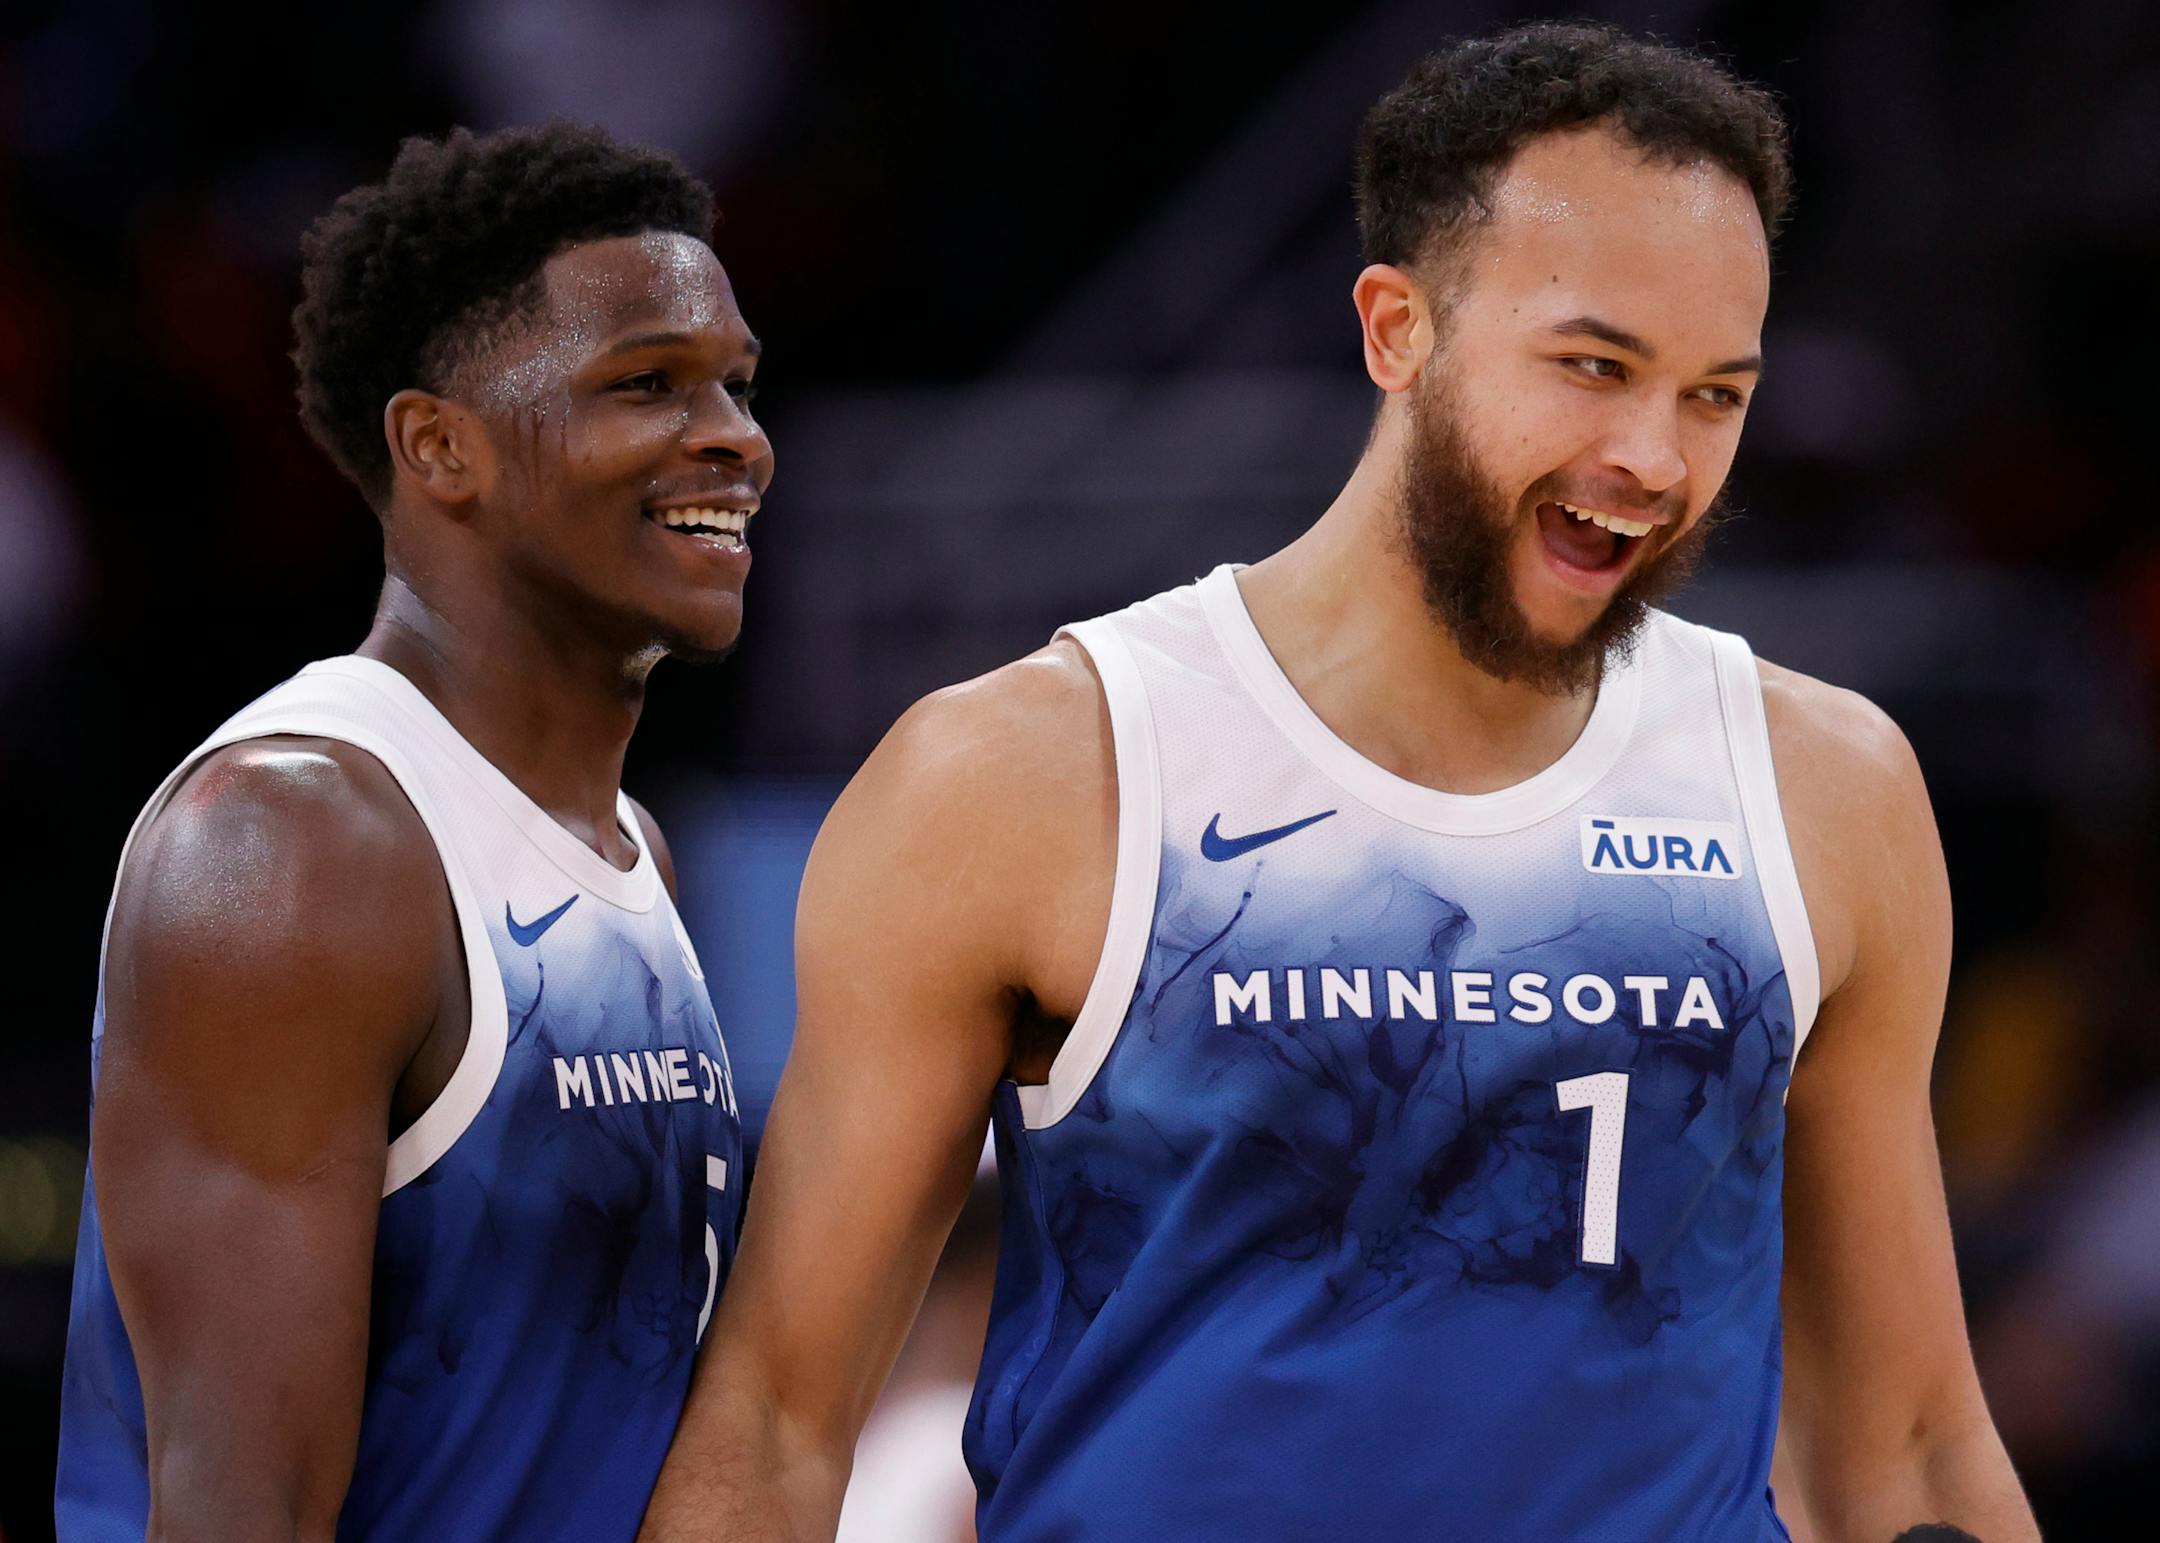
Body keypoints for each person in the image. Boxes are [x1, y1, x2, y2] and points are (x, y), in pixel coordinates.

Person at [641, 23, 2038, 1543]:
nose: (1653, 454)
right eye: (1593, 366)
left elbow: (1902, 1443)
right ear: (1397, 330)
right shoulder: (1027, 774)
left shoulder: (1827, 786)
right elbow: (774, 1429)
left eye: (1716, 394)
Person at [56, 120, 767, 1541]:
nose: (735, 439)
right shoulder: (289, 844)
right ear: (440, 445)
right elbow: (235, 1510)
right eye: (649, 383)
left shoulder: (628, 850)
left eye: (739, 385)